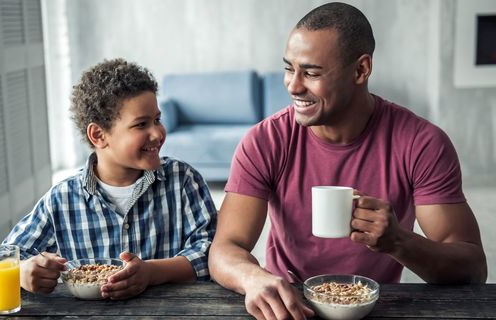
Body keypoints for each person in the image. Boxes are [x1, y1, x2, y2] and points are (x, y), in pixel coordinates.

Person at [208, 2, 487, 319]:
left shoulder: (422, 143)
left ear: (360, 70)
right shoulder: (265, 141)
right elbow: (224, 249)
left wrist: (398, 241)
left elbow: (473, 268)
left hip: (373, 309)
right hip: (288, 307)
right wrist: (253, 278)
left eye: (311, 73)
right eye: (289, 69)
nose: (293, 85)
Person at [0, 58, 217, 299]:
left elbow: (212, 254)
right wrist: (22, 271)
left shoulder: (184, 181)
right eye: (141, 124)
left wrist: (151, 272)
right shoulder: (61, 200)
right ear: (98, 135)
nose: (157, 133)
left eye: (157, 120)